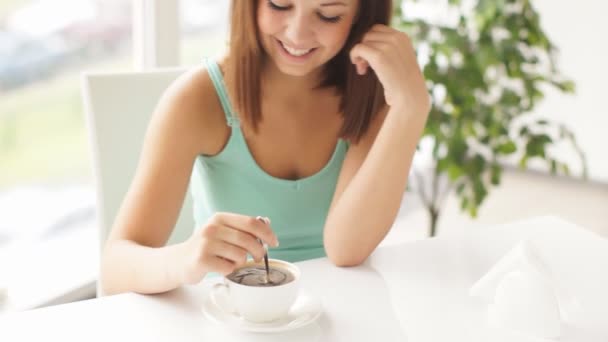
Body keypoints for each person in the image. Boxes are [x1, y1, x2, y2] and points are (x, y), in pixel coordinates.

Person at [101, 0, 430, 295]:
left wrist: (411, 107)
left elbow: (346, 250)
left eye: (329, 15)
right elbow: (115, 271)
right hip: (229, 318)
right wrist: (183, 259)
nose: (298, 34)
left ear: (361, 15)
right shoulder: (198, 100)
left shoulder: (372, 95)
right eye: (279, 5)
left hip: (342, 314)